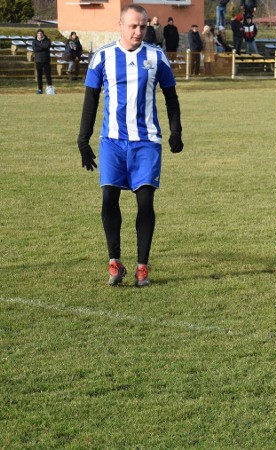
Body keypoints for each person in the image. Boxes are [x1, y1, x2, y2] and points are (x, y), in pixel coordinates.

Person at [76, 4, 184, 287]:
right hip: (112, 141)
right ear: (121, 25)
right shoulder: (103, 57)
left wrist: (176, 131)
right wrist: (82, 140)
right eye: (133, 26)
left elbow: (171, 97)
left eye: (143, 26)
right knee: (109, 198)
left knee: (145, 201)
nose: (138, 31)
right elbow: (91, 100)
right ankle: (114, 262)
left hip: (147, 142)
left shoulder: (156, 56)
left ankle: (142, 266)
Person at [33, 29, 54, 95]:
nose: (39, 34)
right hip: (38, 60)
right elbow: (35, 49)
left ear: (43, 34)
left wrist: (38, 45)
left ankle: (50, 89)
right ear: (37, 34)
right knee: (39, 76)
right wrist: (42, 47)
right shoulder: (34, 41)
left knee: (48, 75)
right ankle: (40, 89)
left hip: (46, 60)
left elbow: (46, 46)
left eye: (41, 33)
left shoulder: (47, 40)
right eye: (38, 33)